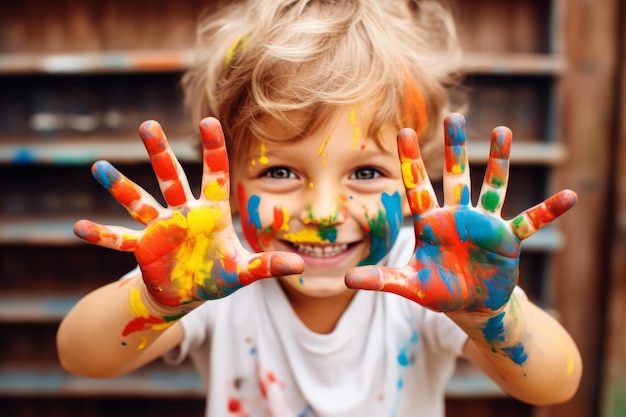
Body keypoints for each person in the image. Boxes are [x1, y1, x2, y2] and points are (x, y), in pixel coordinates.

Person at [56, 0, 582, 416]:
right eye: (280, 172)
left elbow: (556, 383)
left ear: (415, 176)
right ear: (228, 176)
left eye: (366, 173)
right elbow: (81, 355)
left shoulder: (435, 277)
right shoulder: (213, 273)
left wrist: (489, 316)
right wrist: (157, 300)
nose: (325, 211)